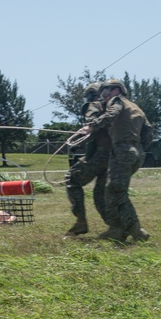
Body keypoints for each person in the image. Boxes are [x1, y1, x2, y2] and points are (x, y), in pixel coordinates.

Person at [82, 78, 153, 243]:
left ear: (116, 90)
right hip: (137, 153)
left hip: (122, 150)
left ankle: (134, 230)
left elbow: (111, 114)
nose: (103, 95)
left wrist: (92, 125)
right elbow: (148, 133)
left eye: (106, 91)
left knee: (115, 191)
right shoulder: (136, 107)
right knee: (113, 190)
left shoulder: (117, 101)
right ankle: (118, 229)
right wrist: (136, 147)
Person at [63, 82, 111, 237]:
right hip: (115, 155)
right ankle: (116, 226)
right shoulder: (114, 107)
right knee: (100, 193)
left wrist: (77, 143)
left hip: (100, 154)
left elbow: (93, 127)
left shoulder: (93, 106)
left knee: (72, 179)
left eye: (89, 94)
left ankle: (80, 222)